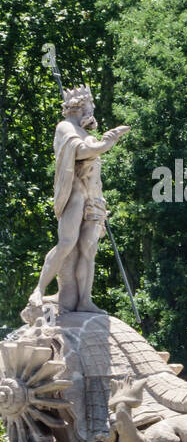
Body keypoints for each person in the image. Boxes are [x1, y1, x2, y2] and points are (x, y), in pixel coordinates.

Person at [25, 84, 129, 320]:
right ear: (81, 106)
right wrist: (107, 141)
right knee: (67, 242)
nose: (93, 110)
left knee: (88, 250)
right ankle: (39, 290)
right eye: (91, 105)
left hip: (94, 198)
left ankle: (84, 299)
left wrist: (100, 141)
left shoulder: (86, 132)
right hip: (74, 194)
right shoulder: (65, 128)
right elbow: (80, 152)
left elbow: (90, 150)